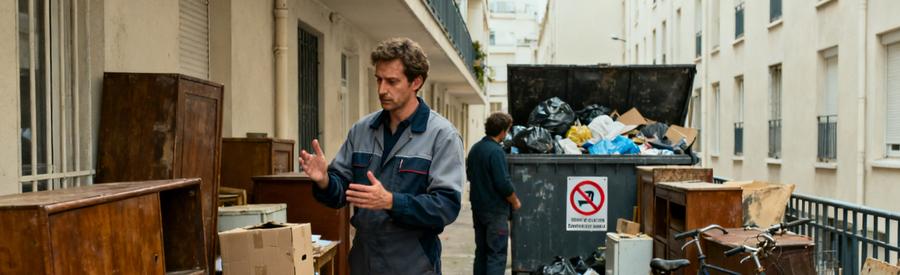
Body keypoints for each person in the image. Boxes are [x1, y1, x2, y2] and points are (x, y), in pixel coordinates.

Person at [299, 37, 465, 275]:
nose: (381, 89)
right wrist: (324, 180)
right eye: (378, 79)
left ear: (415, 82)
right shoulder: (362, 130)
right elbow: (340, 193)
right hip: (364, 260)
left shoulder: (442, 136)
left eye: (392, 81)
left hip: (413, 263)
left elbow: (446, 206)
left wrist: (391, 201)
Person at [466, 112, 522, 275]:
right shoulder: (496, 152)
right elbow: (503, 184)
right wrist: (515, 201)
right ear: (503, 131)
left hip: (479, 209)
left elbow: (470, 175)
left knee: (482, 253)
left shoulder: (476, 148)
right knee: (496, 255)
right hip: (495, 212)